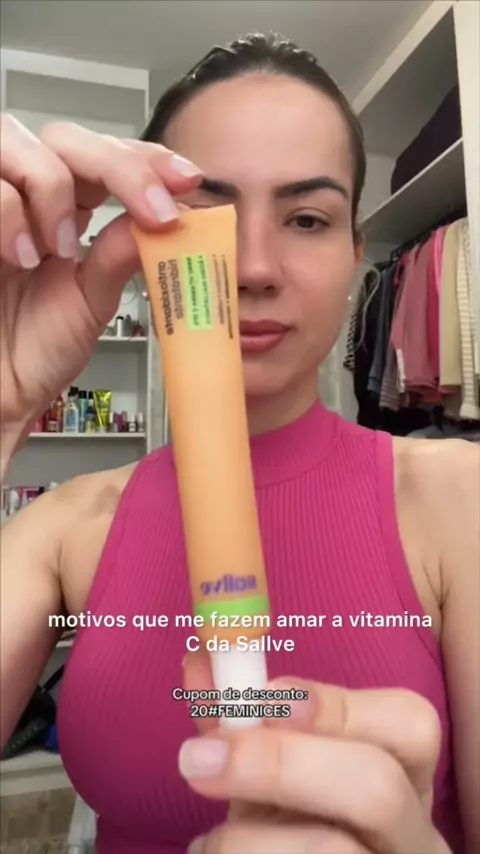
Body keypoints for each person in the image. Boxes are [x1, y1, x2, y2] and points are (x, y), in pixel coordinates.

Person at [0, 32, 478, 854]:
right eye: (203, 218)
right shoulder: (61, 527)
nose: (252, 266)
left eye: (306, 218)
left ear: (355, 258)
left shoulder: (461, 499)